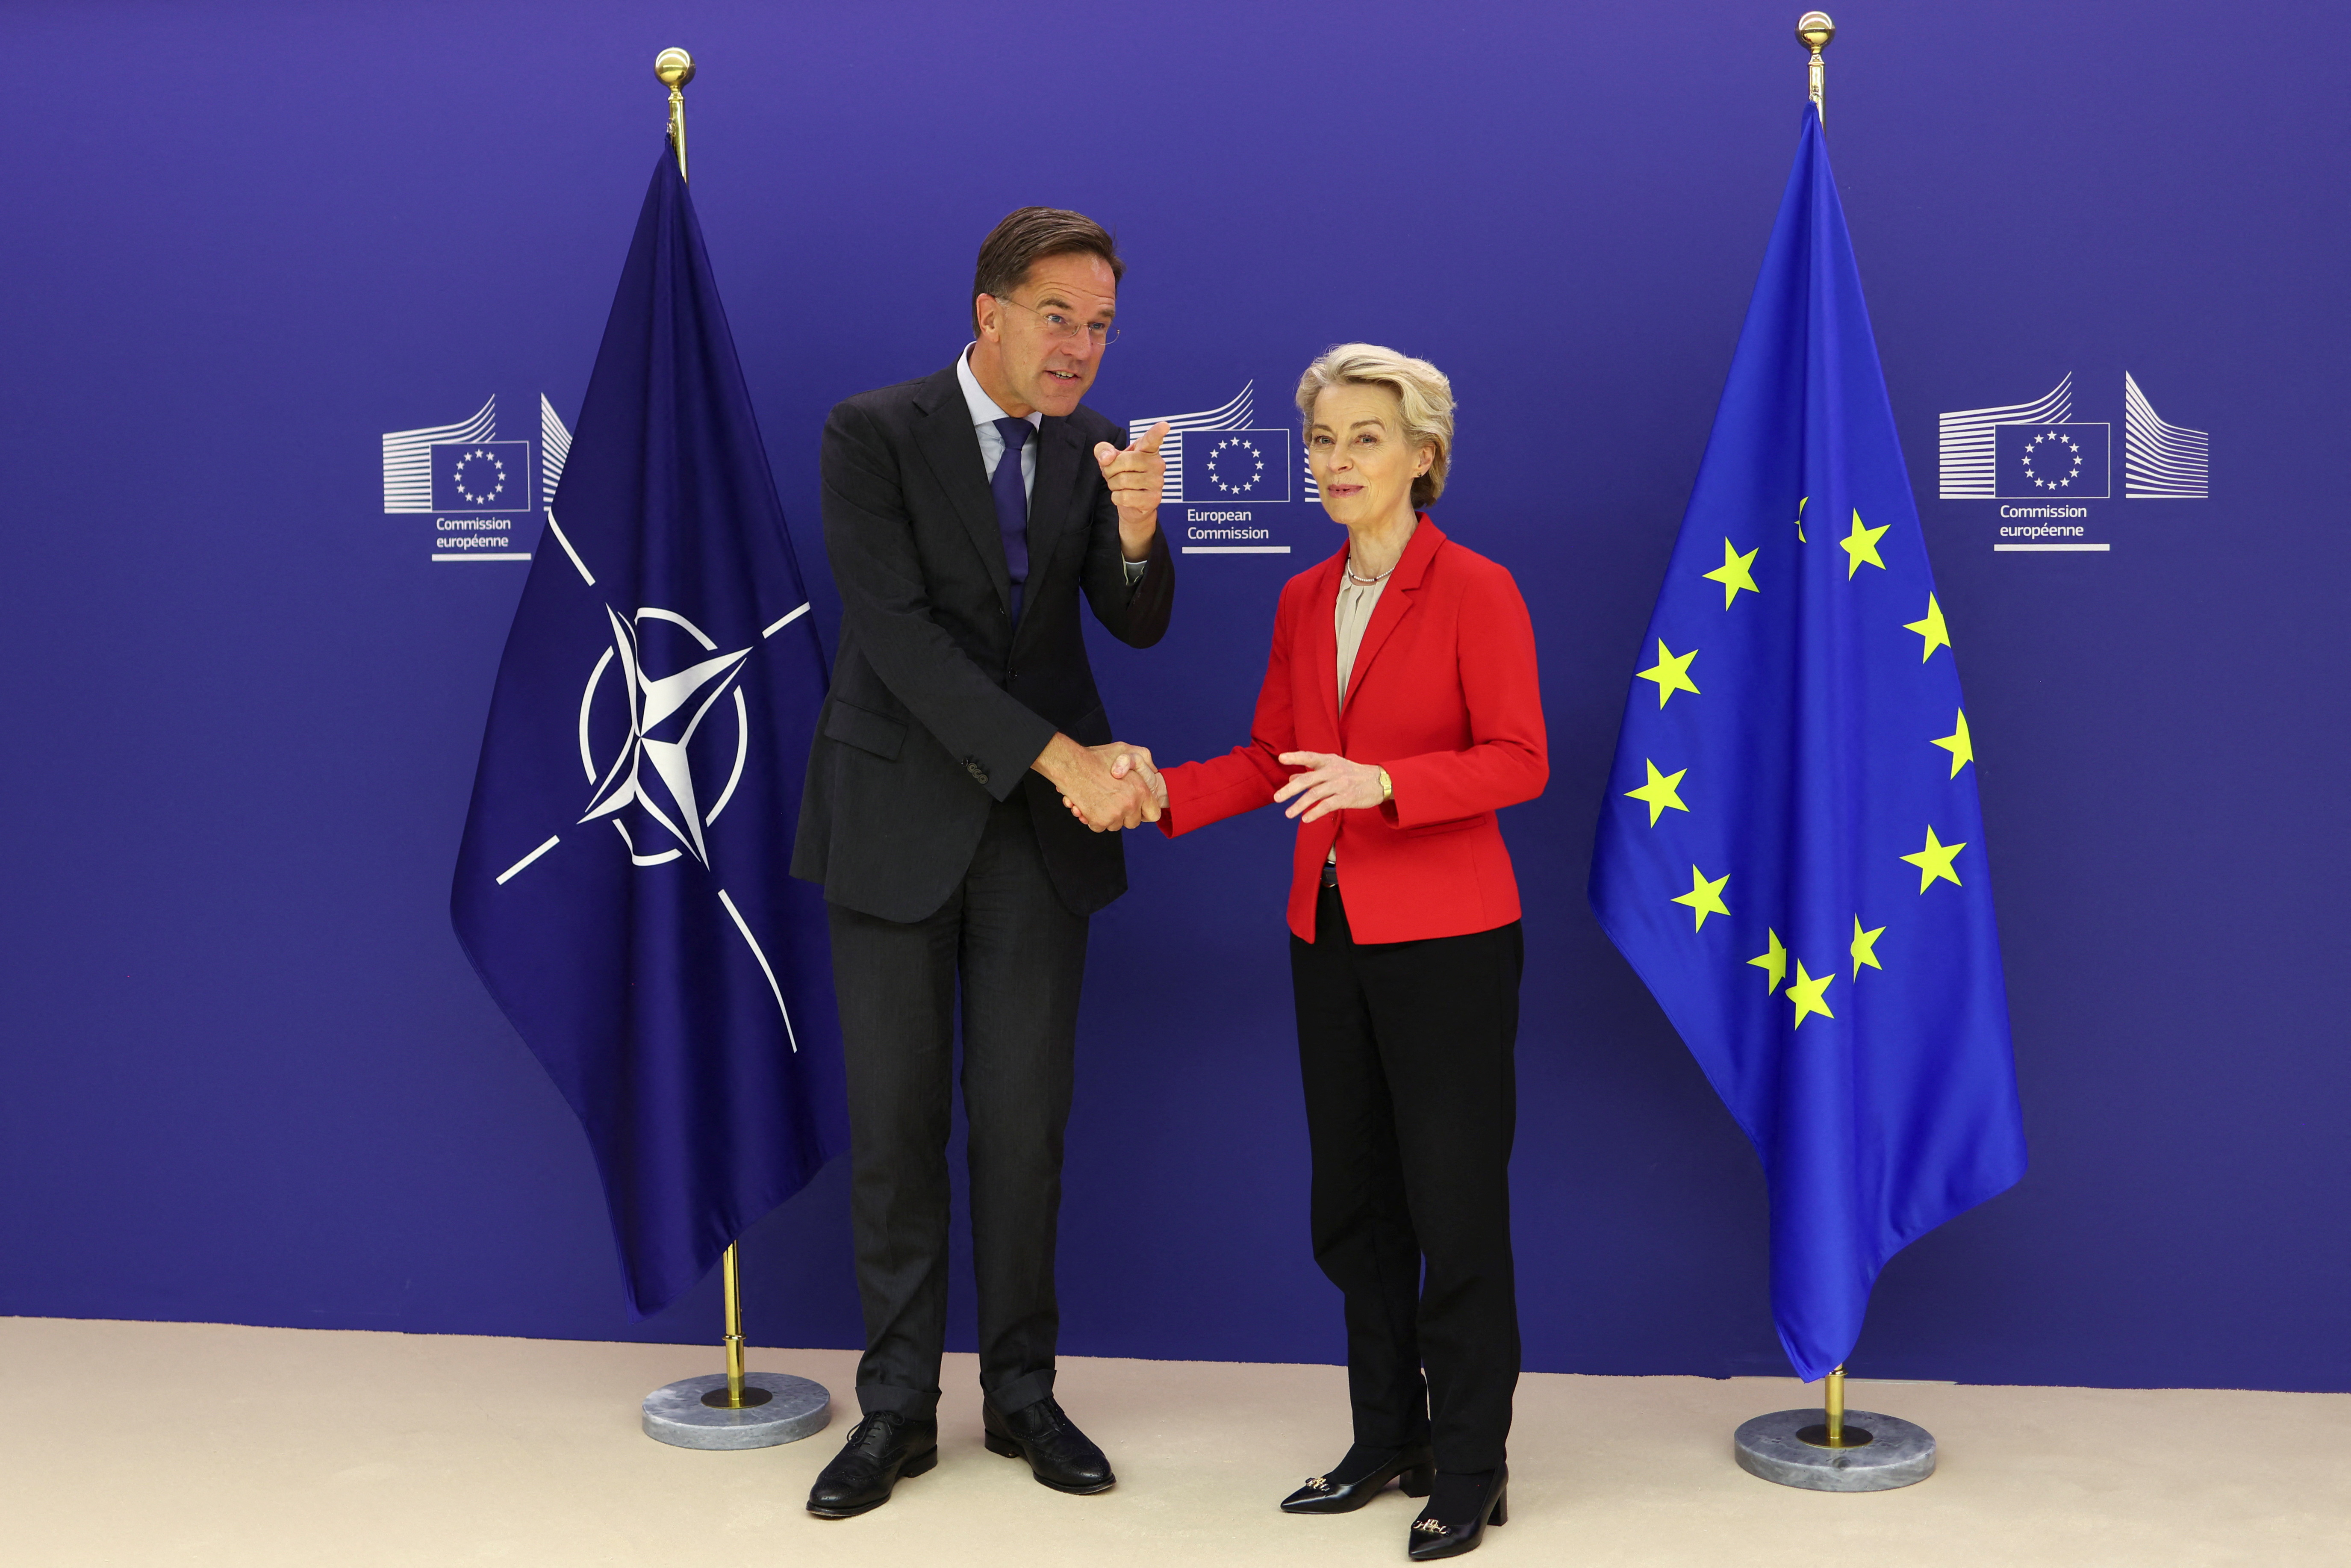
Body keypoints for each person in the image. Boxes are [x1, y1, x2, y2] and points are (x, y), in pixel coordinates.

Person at [1120, 345, 1544, 1560]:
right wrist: (1159, 794)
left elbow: (1520, 757)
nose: (1336, 460)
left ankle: (1470, 1464)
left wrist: (1387, 783)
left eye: (1365, 437)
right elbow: (1272, 758)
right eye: (1321, 439)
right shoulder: (1304, 599)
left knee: (1453, 1209)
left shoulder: (1477, 589)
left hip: (1452, 940)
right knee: (1353, 1206)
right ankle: (1387, 1437)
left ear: (1425, 456)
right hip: (1328, 929)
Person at [791, 207, 1176, 1519]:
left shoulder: (1090, 450)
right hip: (897, 819)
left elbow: (1133, 625)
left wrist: (1133, 533)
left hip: (1032, 853)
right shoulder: (871, 431)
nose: (1081, 348)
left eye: (1103, 326)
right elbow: (897, 639)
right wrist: (1064, 760)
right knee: (896, 1129)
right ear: (989, 313)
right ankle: (896, 1408)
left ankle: (1021, 1392)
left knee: (1024, 1129)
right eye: (1059, 318)